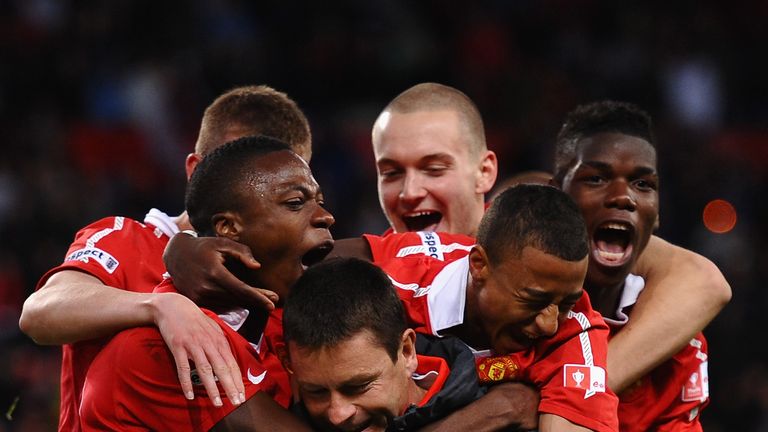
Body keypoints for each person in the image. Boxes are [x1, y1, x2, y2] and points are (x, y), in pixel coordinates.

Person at [163, 81, 729, 395]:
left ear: (485, 171)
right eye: (391, 171)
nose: (410, 193)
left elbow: (701, 279)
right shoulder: (373, 270)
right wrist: (182, 246)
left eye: (433, 168)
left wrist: (569, 388)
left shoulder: (543, 230)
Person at [18, 84, 313, 431]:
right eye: (237, 172)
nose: (254, 195)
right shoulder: (127, 241)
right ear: (194, 171)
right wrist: (158, 307)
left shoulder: (290, 280)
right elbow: (40, 311)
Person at [80, 136, 332, 431]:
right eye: (295, 203)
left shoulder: (276, 325)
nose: (325, 216)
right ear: (228, 228)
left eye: (320, 202)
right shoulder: (157, 350)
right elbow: (38, 311)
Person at [331, 184, 620, 432]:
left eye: (565, 303)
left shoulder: (574, 328)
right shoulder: (396, 279)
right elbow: (297, 261)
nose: (550, 324)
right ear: (479, 265)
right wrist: (503, 409)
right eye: (534, 301)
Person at [553, 100, 710, 429]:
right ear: (556, 196)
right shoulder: (509, 309)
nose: (624, 196)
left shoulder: (676, 340)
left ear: (657, 214)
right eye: (596, 178)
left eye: (643, 184)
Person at [282, 257, 485, 432]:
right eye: (316, 391)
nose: (338, 415)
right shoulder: (280, 419)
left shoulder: (497, 415)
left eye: (358, 386)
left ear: (407, 352)